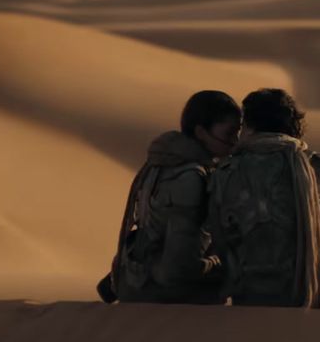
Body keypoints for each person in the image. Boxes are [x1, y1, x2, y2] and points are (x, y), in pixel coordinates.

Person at [207, 88, 320, 311]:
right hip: (309, 297)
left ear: (248, 126)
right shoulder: (313, 165)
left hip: (245, 297)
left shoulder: (223, 171)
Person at [99, 90, 242, 304]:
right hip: (166, 299)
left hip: (135, 286)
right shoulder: (191, 177)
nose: (236, 141)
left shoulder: (158, 165)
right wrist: (224, 264)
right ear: (201, 132)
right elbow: (178, 268)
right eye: (229, 133)